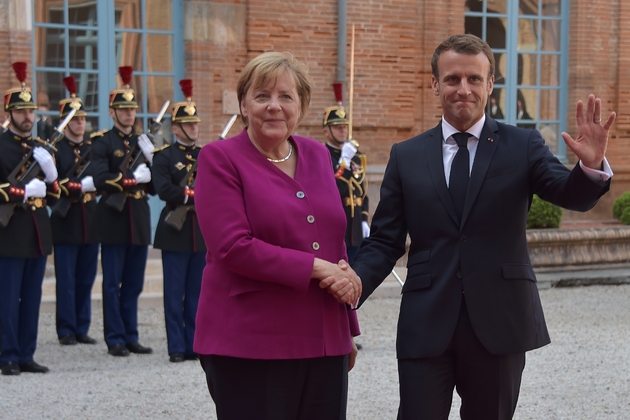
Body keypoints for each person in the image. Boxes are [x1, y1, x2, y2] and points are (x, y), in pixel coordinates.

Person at [347, 34, 615, 419]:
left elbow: (569, 194)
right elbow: (385, 241)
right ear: (436, 84)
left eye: (474, 79)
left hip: (500, 321)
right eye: (453, 79)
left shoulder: (522, 145)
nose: (463, 89)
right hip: (426, 321)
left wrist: (589, 168)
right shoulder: (405, 156)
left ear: (490, 84)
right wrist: (353, 285)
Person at [193, 51, 361, 419]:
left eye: (286, 96)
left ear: (301, 105)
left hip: (323, 340)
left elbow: (334, 241)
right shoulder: (219, 158)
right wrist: (319, 268)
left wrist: (346, 327)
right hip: (249, 340)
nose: (274, 106)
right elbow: (232, 247)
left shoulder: (318, 154)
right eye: (262, 96)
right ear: (243, 103)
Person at [0, 62, 60, 375]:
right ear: (9, 114)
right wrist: (20, 192)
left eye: (31, 112)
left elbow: (55, 194)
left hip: (38, 231)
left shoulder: (39, 147)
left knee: (31, 298)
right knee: (8, 299)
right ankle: (7, 355)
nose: (28, 117)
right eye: (21, 112)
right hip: (10, 232)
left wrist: (51, 176)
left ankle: (26, 353)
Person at [91, 66, 155, 357]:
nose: (129, 114)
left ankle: (131, 334)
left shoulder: (143, 142)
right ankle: (114, 337)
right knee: (113, 283)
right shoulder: (103, 142)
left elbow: (156, 187)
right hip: (114, 219)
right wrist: (131, 178)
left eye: (132, 109)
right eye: (123, 109)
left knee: (134, 283)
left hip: (138, 219)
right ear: (112, 112)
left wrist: (154, 163)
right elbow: (100, 178)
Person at [152, 79, 205, 363]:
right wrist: (190, 195)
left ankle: (194, 343)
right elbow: (163, 190)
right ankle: (176, 346)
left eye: (196, 123)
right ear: (176, 129)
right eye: (189, 124)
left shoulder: (206, 156)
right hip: (176, 229)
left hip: (200, 231)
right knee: (174, 293)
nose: (194, 128)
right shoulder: (164, 157)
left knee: (197, 293)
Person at [49, 75, 99, 346]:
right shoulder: (56, 150)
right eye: (76, 119)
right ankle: (66, 328)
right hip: (66, 219)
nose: (81, 123)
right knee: (66, 279)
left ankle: (82, 326)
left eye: (82, 119)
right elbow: (54, 183)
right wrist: (78, 186)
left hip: (90, 220)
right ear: (65, 122)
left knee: (86, 277)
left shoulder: (92, 149)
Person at [322, 104, 370, 264]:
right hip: (335, 226)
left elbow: (362, 192)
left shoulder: (356, 156)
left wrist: (364, 219)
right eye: (337, 127)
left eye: (344, 127)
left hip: (355, 226)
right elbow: (331, 188)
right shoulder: (321, 155)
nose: (342, 130)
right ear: (326, 131)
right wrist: (343, 163)